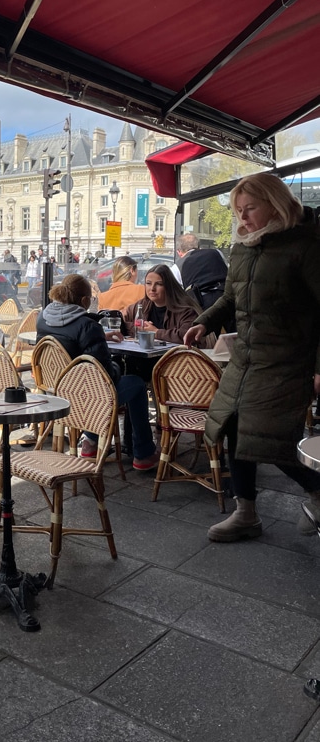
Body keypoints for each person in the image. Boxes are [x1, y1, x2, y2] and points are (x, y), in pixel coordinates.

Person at [184, 172, 320, 541]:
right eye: (238, 210)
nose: (242, 218)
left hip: (286, 361)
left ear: (275, 204)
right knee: (232, 427)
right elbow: (231, 297)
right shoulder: (242, 246)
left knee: (271, 439)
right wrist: (203, 321)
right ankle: (246, 513)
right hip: (245, 358)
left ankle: (318, 490)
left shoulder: (308, 244)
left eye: (250, 209)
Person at [36, 273, 159, 470]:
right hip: (84, 398)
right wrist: (118, 365)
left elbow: (71, 336)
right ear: (84, 300)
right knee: (135, 383)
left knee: (87, 384)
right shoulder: (87, 326)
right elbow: (105, 376)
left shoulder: (43, 317)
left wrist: (101, 336)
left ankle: (90, 442)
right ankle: (143, 454)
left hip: (56, 392)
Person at [122, 264, 202, 345]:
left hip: (176, 356)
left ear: (168, 286)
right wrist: (141, 328)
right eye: (148, 283)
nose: (152, 288)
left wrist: (156, 332)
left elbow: (187, 335)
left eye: (159, 284)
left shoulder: (185, 309)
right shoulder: (142, 305)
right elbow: (120, 321)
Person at [174, 234, 231, 319]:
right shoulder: (216, 253)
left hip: (201, 307)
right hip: (225, 300)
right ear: (199, 246)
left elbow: (176, 293)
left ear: (179, 252)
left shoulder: (176, 267)